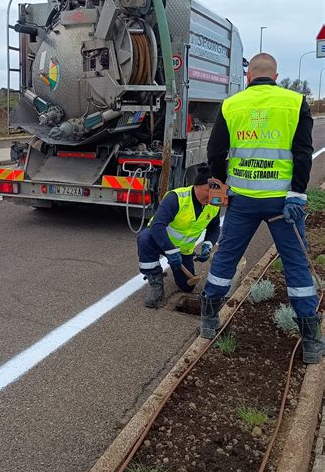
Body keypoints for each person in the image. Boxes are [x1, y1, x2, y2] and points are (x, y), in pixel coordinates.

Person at [202, 52, 323, 363]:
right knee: (296, 264)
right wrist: (297, 193)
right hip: (283, 203)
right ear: (277, 75)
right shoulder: (295, 102)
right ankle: (310, 341)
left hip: (242, 200)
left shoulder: (232, 104)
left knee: (226, 256)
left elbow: (215, 150)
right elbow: (303, 152)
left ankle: (209, 321)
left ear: (248, 77)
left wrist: (220, 179)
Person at [138, 164, 221, 308]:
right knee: (144, 238)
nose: (211, 195)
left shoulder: (215, 201)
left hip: (183, 250)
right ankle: (156, 285)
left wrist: (208, 245)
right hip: (160, 240)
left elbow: (214, 228)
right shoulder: (176, 197)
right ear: (197, 186)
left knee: (187, 287)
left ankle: (175, 266)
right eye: (208, 190)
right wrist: (171, 251)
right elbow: (157, 225)